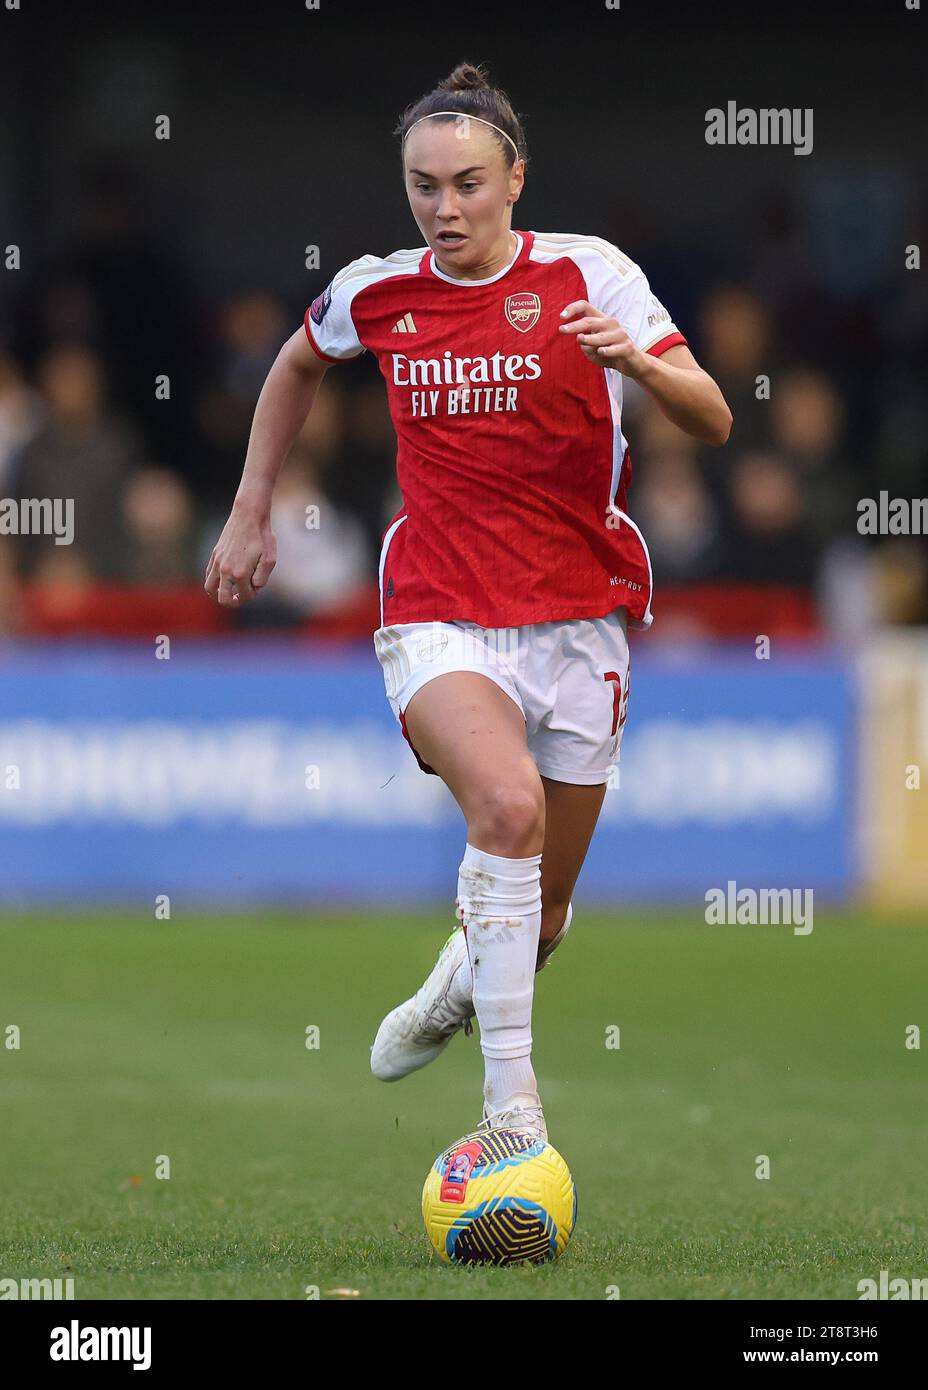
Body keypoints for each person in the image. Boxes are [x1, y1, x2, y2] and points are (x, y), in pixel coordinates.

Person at [204, 62, 732, 1143]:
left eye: (467, 185)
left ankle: (457, 981)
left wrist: (639, 360)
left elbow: (713, 416)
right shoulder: (377, 291)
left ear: (515, 181)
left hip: (581, 614)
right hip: (440, 607)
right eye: (423, 186)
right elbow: (297, 361)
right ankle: (513, 1114)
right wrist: (250, 507)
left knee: (538, 914)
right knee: (505, 811)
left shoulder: (593, 275)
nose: (444, 209)